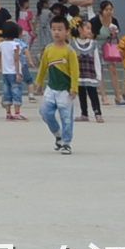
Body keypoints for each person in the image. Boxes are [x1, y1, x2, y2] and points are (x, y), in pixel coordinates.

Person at [36, 16, 80, 155]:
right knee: (45, 112)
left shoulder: (70, 51)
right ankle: (57, 135)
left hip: (65, 91)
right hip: (51, 89)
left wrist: (74, 88)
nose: (56, 32)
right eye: (54, 29)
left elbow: (74, 71)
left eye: (60, 29)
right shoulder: (48, 49)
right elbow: (43, 67)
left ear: (67, 31)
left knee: (66, 117)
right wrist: (39, 83)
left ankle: (66, 143)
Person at [0, 20, 29, 122]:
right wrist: (18, 74)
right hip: (14, 72)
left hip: (5, 72)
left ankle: (8, 113)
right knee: (16, 91)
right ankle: (17, 113)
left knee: (7, 92)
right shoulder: (16, 45)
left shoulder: (1, 45)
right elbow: (16, 59)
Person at [74, 21, 104, 124]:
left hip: (90, 73)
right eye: (87, 28)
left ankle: (98, 113)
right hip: (79, 73)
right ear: (80, 29)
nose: (89, 31)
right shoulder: (73, 44)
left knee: (93, 93)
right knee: (81, 93)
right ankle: (84, 113)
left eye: (90, 29)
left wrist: (98, 74)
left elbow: (96, 59)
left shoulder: (93, 44)